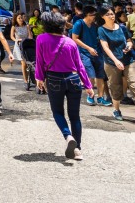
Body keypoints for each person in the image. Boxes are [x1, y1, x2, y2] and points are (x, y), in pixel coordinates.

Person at [34, 11, 93, 161]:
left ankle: (68, 136)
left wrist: (39, 78)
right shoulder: (70, 42)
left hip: (53, 79)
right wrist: (88, 85)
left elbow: (39, 61)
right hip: (73, 79)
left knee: (58, 112)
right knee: (75, 116)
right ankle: (78, 150)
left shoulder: (41, 39)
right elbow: (80, 66)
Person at [72, 6, 110, 106]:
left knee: (100, 75)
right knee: (91, 75)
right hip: (84, 53)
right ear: (86, 15)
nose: (94, 16)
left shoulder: (95, 25)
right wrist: (88, 48)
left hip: (97, 53)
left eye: (95, 14)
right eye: (92, 15)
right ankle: (91, 95)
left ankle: (101, 97)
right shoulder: (79, 24)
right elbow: (74, 38)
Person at [11, 13, 31, 85]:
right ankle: (25, 80)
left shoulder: (27, 26)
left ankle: (31, 76)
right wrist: (17, 40)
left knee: (30, 61)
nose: (20, 19)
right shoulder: (14, 27)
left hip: (26, 44)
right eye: (19, 18)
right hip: (19, 45)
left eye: (21, 18)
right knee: (24, 63)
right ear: (16, 19)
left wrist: (30, 39)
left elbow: (30, 35)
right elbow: (12, 36)